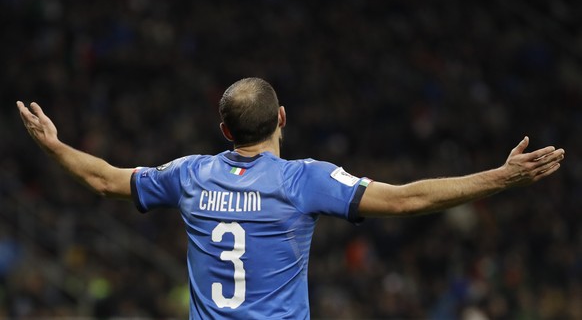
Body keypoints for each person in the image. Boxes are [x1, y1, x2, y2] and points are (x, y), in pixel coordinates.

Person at [17, 77, 564, 319]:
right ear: (281, 119)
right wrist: (499, 178)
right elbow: (405, 200)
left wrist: (54, 145)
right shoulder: (304, 180)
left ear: (225, 132)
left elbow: (106, 179)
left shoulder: (190, 175)